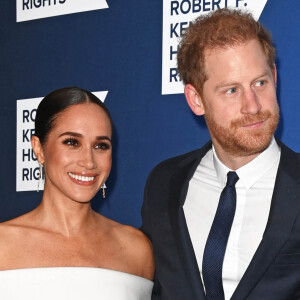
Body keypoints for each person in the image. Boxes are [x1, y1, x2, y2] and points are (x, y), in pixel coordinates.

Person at [141, 8, 300, 300]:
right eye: (231, 90)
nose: (252, 106)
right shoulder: (163, 184)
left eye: (260, 83)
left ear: (275, 76)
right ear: (196, 99)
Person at [0, 87, 154, 299]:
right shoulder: (3, 245)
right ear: (38, 149)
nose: (88, 161)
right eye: (72, 142)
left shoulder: (136, 250)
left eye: (101, 146)